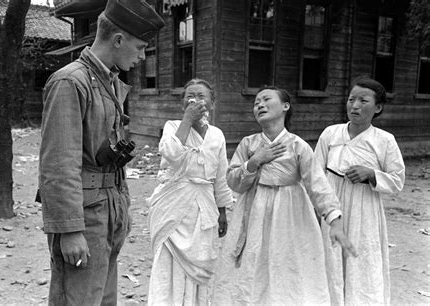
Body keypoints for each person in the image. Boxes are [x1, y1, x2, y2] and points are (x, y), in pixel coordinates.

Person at [38, 1, 164, 305]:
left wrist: (122, 209)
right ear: (118, 40)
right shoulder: (71, 82)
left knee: (103, 300)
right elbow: (58, 165)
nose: (142, 56)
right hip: (85, 216)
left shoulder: (106, 83)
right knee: (78, 300)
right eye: (140, 46)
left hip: (106, 212)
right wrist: (69, 231)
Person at [211, 86, 357, 305]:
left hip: (290, 215)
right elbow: (233, 182)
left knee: (286, 266)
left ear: (285, 106)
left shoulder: (298, 146)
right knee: (253, 265)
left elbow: (318, 184)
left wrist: (334, 220)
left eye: (266, 99)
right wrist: (254, 161)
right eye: (256, 102)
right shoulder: (248, 144)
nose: (259, 104)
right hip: (254, 213)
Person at [314, 77, 405, 305]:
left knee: (361, 258)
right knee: (330, 257)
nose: (354, 106)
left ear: (378, 108)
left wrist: (371, 173)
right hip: (332, 203)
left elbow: (397, 180)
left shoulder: (384, 140)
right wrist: (317, 212)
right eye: (351, 99)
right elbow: (314, 175)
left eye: (363, 101)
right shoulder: (331, 134)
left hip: (364, 208)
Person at [147, 78, 232, 305]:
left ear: (212, 104)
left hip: (204, 207)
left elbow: (220, 177)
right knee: (168, 261)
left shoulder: (217, 135)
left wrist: (222, 211)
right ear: (182, 103)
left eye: (201, 96)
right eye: (189, 96)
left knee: (202, 261)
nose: (195, 100)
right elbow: (171, 153)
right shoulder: (173, 127)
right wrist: (187, 120)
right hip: (172, 207)